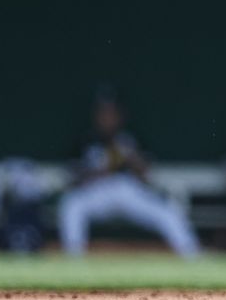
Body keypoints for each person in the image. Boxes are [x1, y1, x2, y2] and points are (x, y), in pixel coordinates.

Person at [58, 89, 199, 257]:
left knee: (168, 210)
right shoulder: (86, 140)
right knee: (71, 205)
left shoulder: (129, 138)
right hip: (97, 192)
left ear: (120, 115)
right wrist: (100, 170)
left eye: (111, 113)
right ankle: (74, 259)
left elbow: (146, 175)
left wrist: (130, 157)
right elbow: (72, 177)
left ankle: (192, 256)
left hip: (127, 189)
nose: (107, 118)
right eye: (103, 113)